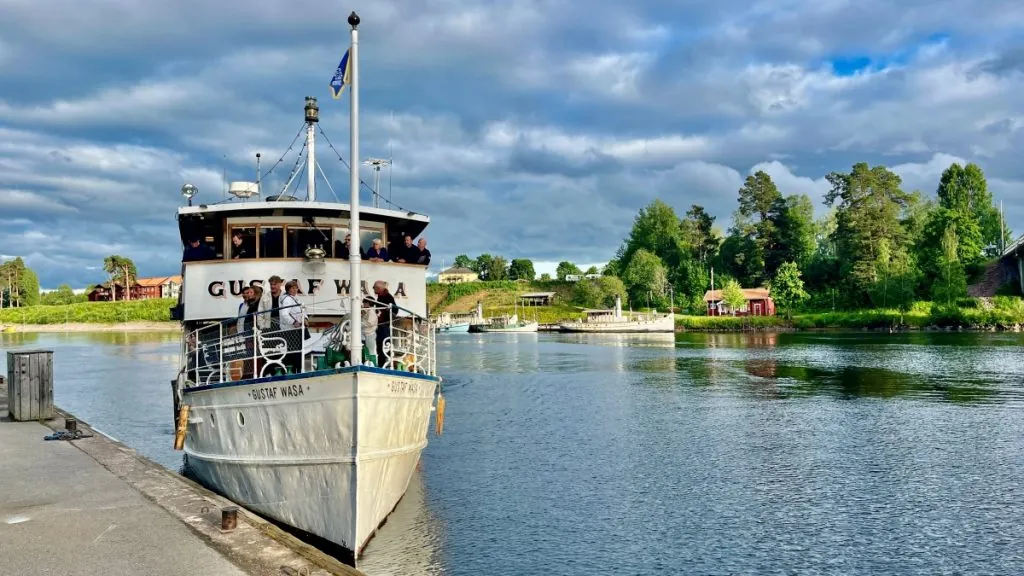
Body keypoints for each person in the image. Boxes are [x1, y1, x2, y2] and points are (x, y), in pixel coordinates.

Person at [262, 275, 304, 374]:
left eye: (275, 284)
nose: (273, 286)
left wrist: (304, 318)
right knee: (273, 351)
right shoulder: (266, 297)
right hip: (270, 328)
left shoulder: (288, 297)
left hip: (284, 327)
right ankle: (274, 371)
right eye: (271, 284)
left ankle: (290, 370)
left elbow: (300, 310)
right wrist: (262, 326)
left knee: (287, 350)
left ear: (280, 284)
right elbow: (260, 313)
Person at [372, 280, 396, 368]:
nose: (373, 289)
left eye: (374, 287)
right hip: (381, 324)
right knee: (380, 344)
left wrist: (388, 310)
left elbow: (395, 310)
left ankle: (384, 364)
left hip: (384, 325)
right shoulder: (381, 297)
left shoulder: (387, 297)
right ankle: (382, 363)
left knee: (383, 344)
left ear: (379, 288)